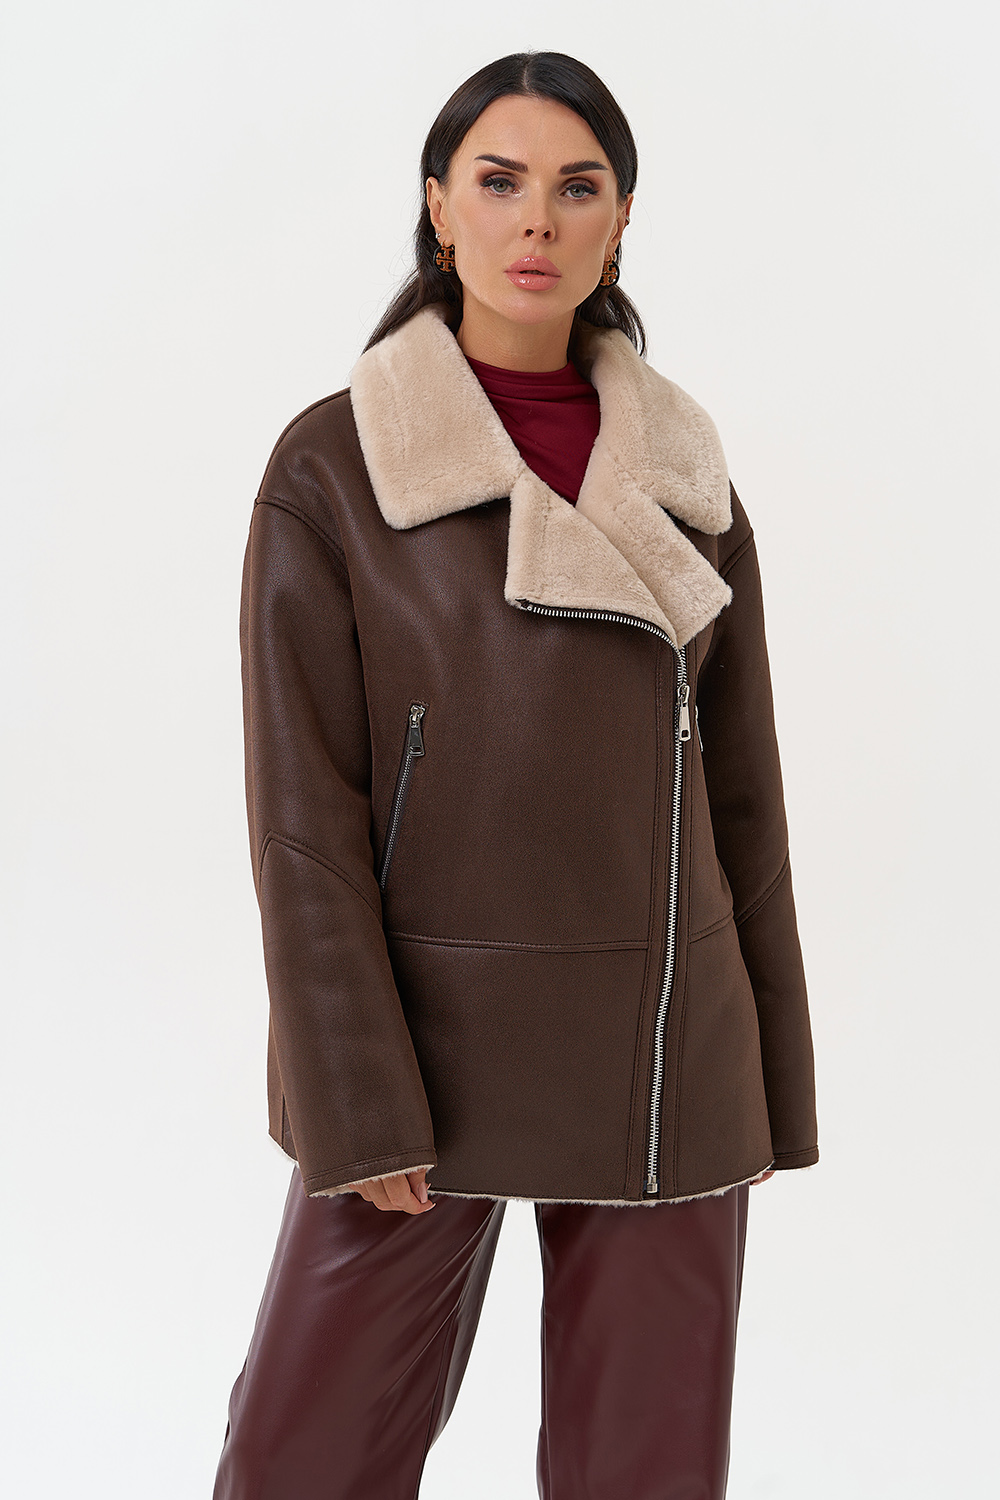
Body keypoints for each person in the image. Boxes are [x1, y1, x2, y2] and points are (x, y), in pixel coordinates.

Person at [213, 49, 818, 1500]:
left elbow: (744, 800)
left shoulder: (687, 476)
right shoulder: (338, 466)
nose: (536, 220)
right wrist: (355, 1095)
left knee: (645, 1476)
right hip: (424, 1050)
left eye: (576, 186)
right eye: (499, 182)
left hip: (665, 1049)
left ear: (621, 221)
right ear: (439, 207)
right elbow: (303, 819)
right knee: (302, 1459)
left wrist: (768, 1082)